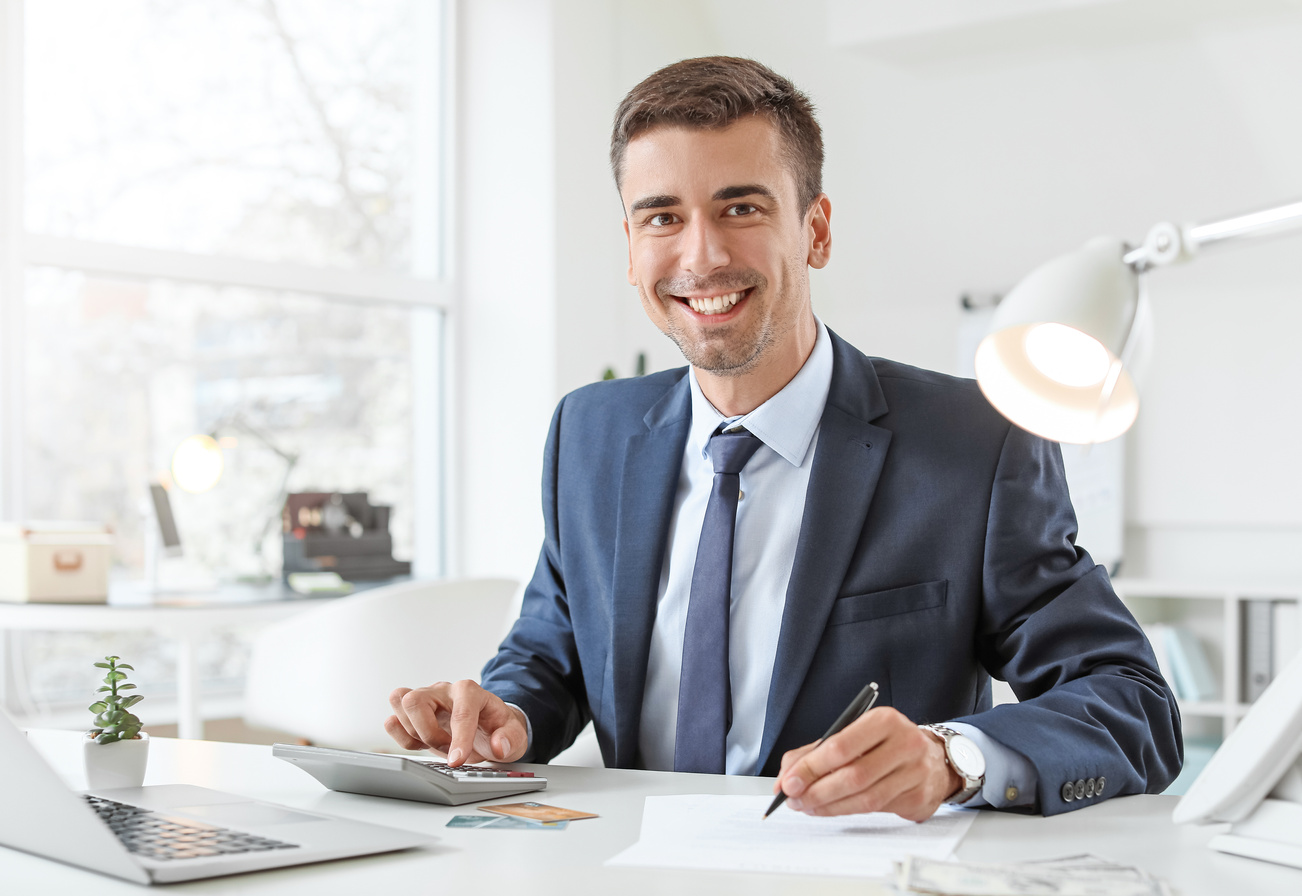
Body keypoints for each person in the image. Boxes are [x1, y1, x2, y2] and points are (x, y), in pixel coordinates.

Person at [386, 56, 1182, 820]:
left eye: (741, 207)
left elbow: (1130, 700)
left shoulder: (977, 443)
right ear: (630, 247)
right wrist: (506, 715)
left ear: (817, 230)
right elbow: (553, 653)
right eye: (662, 217)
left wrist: (952, 760)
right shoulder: (590, 432)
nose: (701, 255)